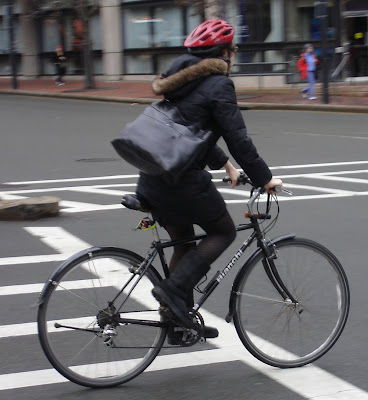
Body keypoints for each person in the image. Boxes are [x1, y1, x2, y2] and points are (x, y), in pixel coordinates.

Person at [136, 19, 283, 341]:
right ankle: (173, 292)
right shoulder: (219, 85)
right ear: (225, 52)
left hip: (152, 177)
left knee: (184, 245)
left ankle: (176, 326)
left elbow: (187, 130)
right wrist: (265, 178)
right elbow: (238, 139)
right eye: (233, 50)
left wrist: (226, 165)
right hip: (181, 181)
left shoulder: (176, 82)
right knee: (223, 230)